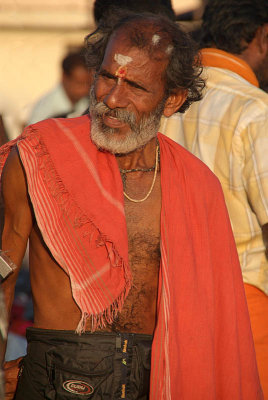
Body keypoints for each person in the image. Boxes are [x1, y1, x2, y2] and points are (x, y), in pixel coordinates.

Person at [0, 12, 263, 400]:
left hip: (159, 379)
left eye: (136, 86)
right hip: (56, 377)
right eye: (107, 76)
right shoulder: (39, 155)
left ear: (171, 99)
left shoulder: (197, 184)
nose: (112, 99)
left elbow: (215, 318)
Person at [160, 0, 268, 397]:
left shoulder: (165, 100)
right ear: (263, 36)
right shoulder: (256, 110)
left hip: (173, 300)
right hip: (246, 302)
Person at [27, 50, 92, 125]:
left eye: (88, 84)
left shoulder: (84, 102)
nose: (85, 89)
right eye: (79, 84)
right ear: (64, 78)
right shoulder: (47, 108)